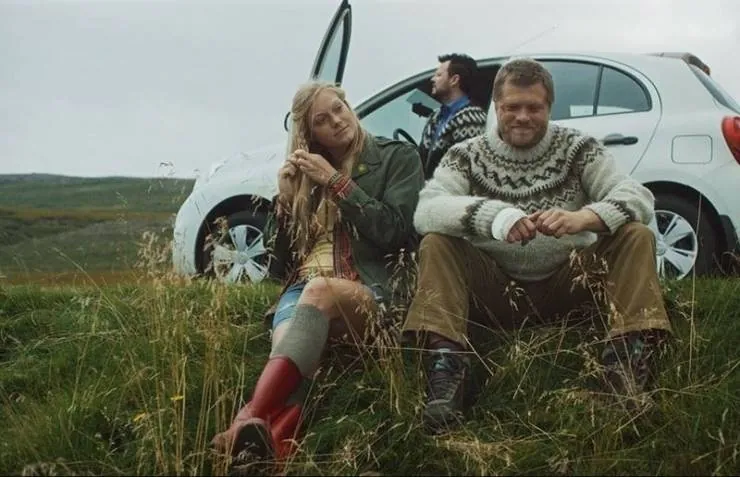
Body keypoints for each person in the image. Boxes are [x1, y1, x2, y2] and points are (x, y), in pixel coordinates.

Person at [402, 58, 673, 433]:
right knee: (436, 242)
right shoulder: (466, 154)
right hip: (495, 291)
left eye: (534, 107)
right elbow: (427, 210)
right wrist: (494, 218)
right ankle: (447, 372)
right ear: (496, 106)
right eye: (512, 107)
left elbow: (637, 196)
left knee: (636, 234)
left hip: (569, 283)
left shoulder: (578, 147)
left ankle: (626, 364)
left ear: (549, 106)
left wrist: (584, 218)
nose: (523, 117)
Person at [210, 81, 424, 468]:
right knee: (290, 346)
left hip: (368, 289)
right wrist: (285, 201)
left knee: (318, 294)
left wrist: (337, 183)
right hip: (303, 288)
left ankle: (243, 420)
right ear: (311, 135)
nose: (337, 121)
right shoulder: (307, 173)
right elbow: (279, 267)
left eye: (339, 108)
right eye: (322, 120)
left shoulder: (397, 157)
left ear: (349, 105)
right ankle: (271, 450)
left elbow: (393, 231)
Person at [418, 53, 488, 180]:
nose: (432, 79)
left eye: (438, 75)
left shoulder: (471, 118)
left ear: (454, 80)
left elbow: (465, 173)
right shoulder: (436, 116)